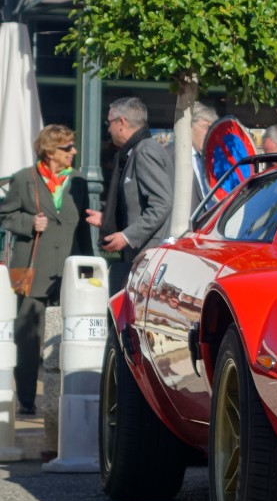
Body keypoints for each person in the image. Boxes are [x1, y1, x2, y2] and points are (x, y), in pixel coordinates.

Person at [0, 125, 94, 416]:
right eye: (68, 148)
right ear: (49, 151)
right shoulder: (24, 179)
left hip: (69, 268)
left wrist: (88, 269)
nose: (73, 153)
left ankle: (64, 399)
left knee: (69, 336)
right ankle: (27, 399)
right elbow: (5, 214)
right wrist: (28, 222)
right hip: (34, 267)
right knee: (29, 337)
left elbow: (82, 233)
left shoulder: (78, 182)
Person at [90, 97, 173, 293]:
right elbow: (140, 203)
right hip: (142, 255)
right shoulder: (136, 151)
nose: (108, 129)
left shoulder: (144, 150)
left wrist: (127, 236)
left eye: (108, 123)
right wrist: (108, 219)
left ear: (121, 123)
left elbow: (162, 203)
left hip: (148, 256)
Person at [170, 101, 217, 222]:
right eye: (206, 127)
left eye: (213, 128)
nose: (210, 133)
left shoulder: (212, 159)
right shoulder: (169, 156)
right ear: (189, 125)